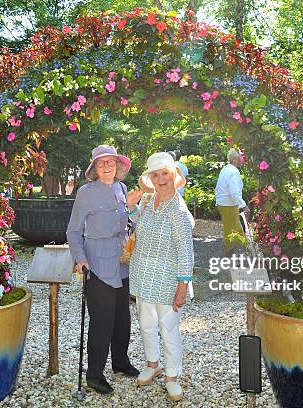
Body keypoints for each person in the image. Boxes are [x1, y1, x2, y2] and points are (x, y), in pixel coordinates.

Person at [66, 145, 139, 395]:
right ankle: (94, 375)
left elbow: (128, 222)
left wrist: (132, 211)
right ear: (94, 168)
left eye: (110, 162)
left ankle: (120, 362)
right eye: (101, 163)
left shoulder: (122, 189)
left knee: (123, 319)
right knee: (101, 322)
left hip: (121, 261)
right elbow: (73, 230)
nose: (107, 167)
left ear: (118, 166)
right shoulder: (85, 193)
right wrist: (80, 258)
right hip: (97, 263)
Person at [126, 152, 194, 402]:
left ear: (174, 176)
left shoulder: (178, 209)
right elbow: (137, 227)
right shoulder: (146, 201)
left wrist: (182, 287)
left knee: (169, 329)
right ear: (150, 179)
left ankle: (172, 376)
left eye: (165, 173)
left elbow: (186, 251)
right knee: (146, 325)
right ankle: (152, 364)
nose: (160, 178)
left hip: (167, 280)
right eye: (156, 175)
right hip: (143, 277)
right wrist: (131, 208)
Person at [215, 148, 250, 257]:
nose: (242, 160)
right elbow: (234, 193)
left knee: (231, 232)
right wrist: (244, 206)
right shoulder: (233, 172)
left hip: (224, 204)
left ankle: (225, 262)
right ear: (234, 160)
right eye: (240, 158)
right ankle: (225, 263)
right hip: (228, 204)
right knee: (233, 233)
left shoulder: (226, 168)